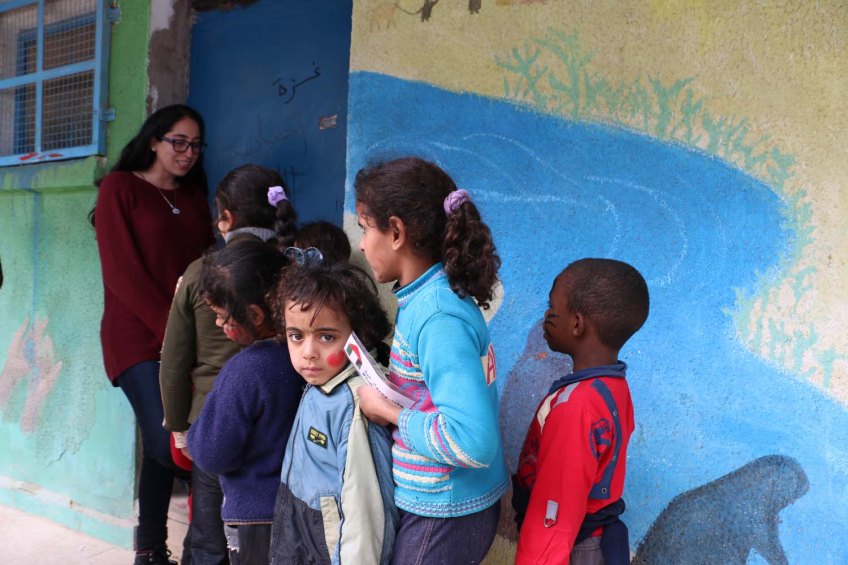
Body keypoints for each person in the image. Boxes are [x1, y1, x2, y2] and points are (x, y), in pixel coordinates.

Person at [353, 157, 508, 564]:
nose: (362, 244)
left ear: (397, 231)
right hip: (442, 504)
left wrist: (388, 412)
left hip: (446, 511)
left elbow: (473, 442)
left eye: (365, 229)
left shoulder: (437, 315)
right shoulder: (426, 298)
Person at [91, 104, 214, 565]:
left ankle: (151, 549)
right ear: (154, 142)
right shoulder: (120, 189)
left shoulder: (196, 198)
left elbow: (206, 273)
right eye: (178, 142)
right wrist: (174, 336)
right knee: (169, 441)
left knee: (167, 436)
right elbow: (122, 276)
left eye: (195, 145)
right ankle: (170, 546)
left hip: (189, 338)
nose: (187, 153)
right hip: (136, 337)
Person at [159, 165, 297, 565]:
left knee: (207, 542)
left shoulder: (204, 273)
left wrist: (179, 426)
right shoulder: (296, 268)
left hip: (216, 426)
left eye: (224, 318)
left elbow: (174, 359)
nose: (221, 324)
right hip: (287, 470)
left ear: (226, 217)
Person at [512, 259, 649, 565]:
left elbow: (554, 516)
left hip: (573, 548)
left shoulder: (575, 407)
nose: (546, 315)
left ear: (576, 324)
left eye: (552, 307)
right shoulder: (613, 386)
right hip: (595, 539)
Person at [268, 260, 398, 564]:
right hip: (302, 536)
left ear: (359, 336)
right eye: (296, 336)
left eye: (326, 336)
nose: (308, 352)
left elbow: (367, 514)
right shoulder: (322, 383)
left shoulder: (354, 403)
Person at [186, 239, 302, 565]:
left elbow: (211, 452)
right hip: (303, 512)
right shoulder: (306, 356)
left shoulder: (245, 370)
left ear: (254, 314)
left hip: (256, 520)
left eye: (223, 318)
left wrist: (195, 434)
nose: (221, 327)